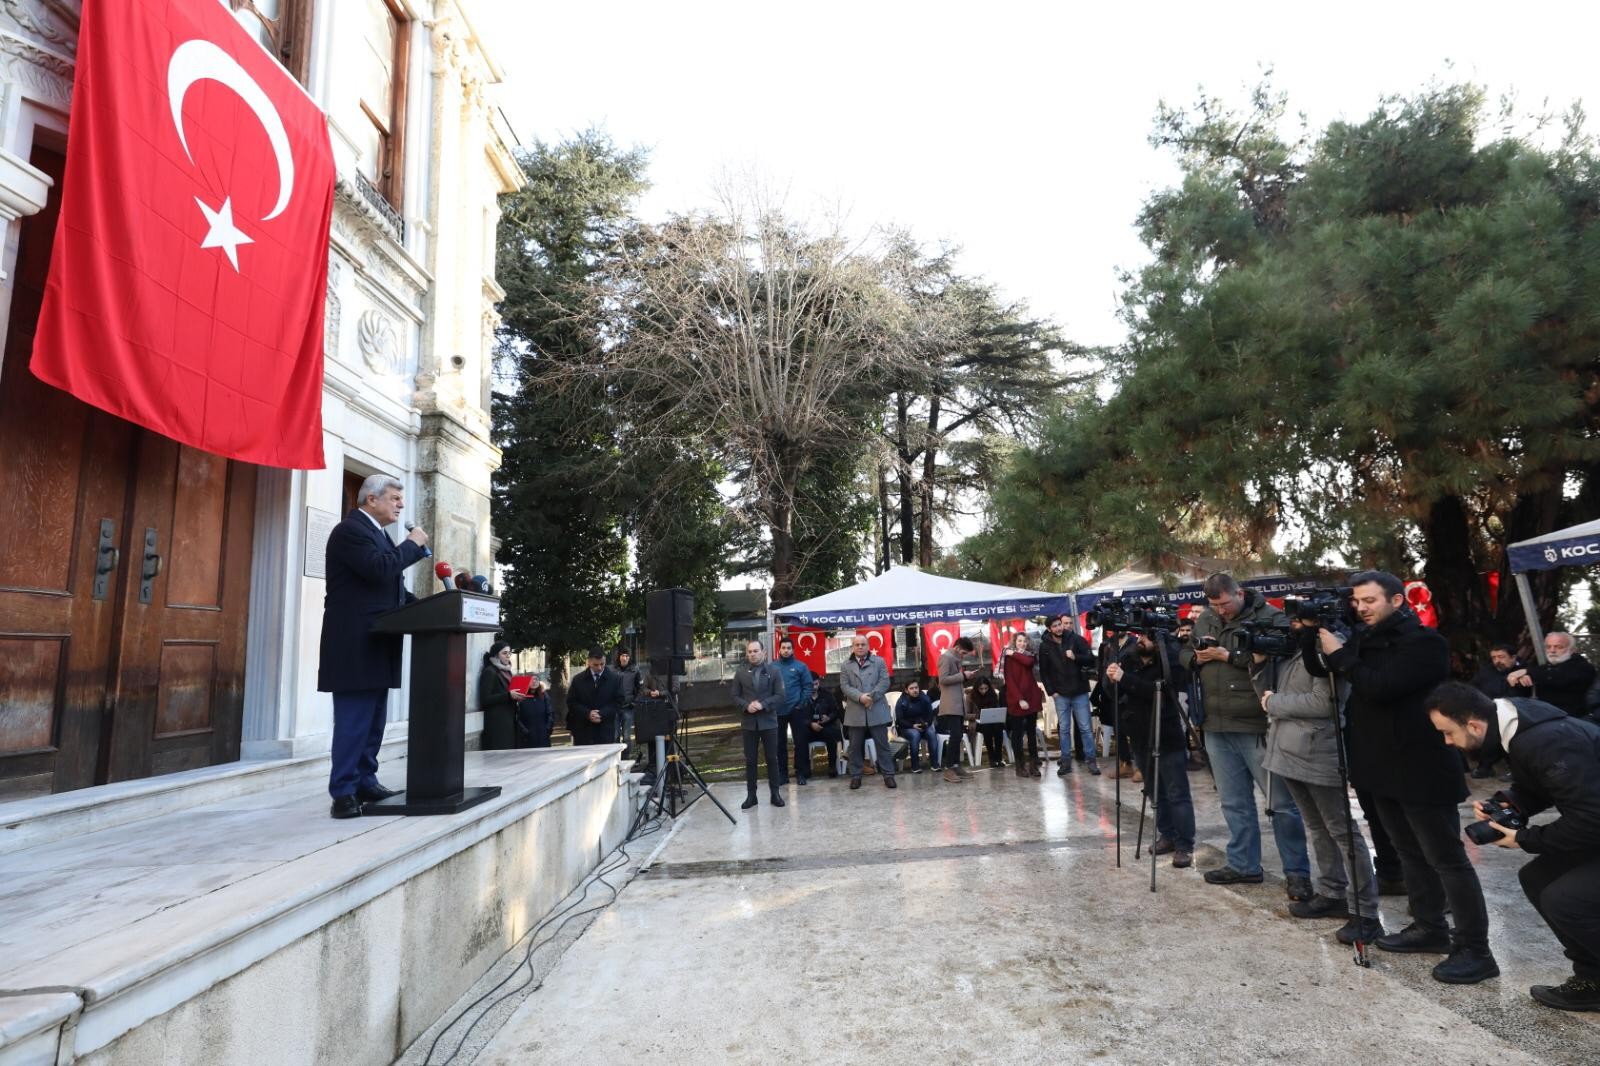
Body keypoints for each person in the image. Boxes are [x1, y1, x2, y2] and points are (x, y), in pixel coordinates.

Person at [1318, 571, 1497, 984]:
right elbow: (1333, 671)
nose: (1360, 608)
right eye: (1357, 601)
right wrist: (1316, 635)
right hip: (1378, 769)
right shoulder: (1364, 639)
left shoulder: (1425, 643)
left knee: (1447, 860)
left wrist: (1341, 654)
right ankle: (1429, 927)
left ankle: (1475, 948)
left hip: (1421, 768)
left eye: (1370, 601)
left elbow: (1381, 686)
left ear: (1397, 600)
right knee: (1408, 852)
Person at [1427, 681, 1600, 1010]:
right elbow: (1545, 784)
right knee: (1537, 879)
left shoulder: (1544, 740)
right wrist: (1507, 803)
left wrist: (1524, 839)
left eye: (1448, 733)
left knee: (1565, 899)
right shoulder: (1520, 726)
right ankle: (1593, 977)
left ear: (1475, 725)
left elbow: (1591, 817)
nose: (1447, 742)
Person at [1253, 622, 1383, 947]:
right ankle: (1331, 891)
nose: (1293, 623)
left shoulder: (1330, 647)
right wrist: (1258, 663)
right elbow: (1265, 695)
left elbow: (1323, 703)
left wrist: (1275, 703)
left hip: (1317, 751)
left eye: (1300, 618)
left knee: (1342, 831)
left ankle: (1364, 911)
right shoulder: (1296, 649)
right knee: (1316, 826)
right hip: (1287, 751)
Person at [1184, 573, 1312, 901]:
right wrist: (1197, 656)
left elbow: (1279, 660)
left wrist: (1226, 656)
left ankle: (1297, 872)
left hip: (1258, 724)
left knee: (1281, 805)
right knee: (1233, 802)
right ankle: (1243, 864)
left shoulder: (1270, 617)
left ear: (1239, 593)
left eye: (1225, 603)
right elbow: (1184, 656)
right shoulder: (1207, 619)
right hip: (1216, 723)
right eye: (1214, 605)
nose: (1221, 611)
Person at [317, 474, 429, 819]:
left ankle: (366, 779)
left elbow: (391, 588)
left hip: (377, 641)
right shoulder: (349, 531)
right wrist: (412, 544)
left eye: (400, 499)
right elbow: (379, 570)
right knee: (354, 720)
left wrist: (425, 606)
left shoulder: (378, 535)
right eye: (395, 497)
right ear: (371, 500)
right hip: (353, 642)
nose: (400, 504)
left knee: (374, 720)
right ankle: (344, 793)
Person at [1106, 627, 1195, 867]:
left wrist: (1124, 678)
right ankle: (1167, 834)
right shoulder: (1130, 661)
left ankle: (1185, 843)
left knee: (1177, 792)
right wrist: (1111, 675)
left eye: (1147, 637)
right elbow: (1113, 692)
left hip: (1166, 735)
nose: (1140, 640)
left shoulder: (1170, 663)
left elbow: (1159, 691)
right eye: (1140, 636)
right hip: (1139, 736)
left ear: (1159, 643)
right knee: (1155, 791)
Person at [730, 639, 786, 810]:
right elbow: (734, 696)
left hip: (769, 722)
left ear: (764, 653)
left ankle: (775, 793)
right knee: (750, 760)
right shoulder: (740, 673)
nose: (753, 654)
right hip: (749, 723)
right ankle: (751, 795)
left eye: (756, 651)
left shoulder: (774, 671)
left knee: (772, 759)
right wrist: (747, 705)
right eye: (750, 652)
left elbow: (781, 695)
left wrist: (763, 704)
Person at [1041, 614, 1100, 776]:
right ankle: (1066, 761)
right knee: (1064, 729)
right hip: (1060, 694)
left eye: (1060, 624)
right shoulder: (1045, 646)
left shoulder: (1076, 639)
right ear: (1049, 629)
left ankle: (1091, 760)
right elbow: (1044, 672)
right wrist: (1051, 691)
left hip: (1079, 690)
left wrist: (1076, 657)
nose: (1059, 628)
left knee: (1086, 728)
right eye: (1054, 626)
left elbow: (1090, 659)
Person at [841, 634, 897, 789]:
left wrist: (871, 697)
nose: (860, 647)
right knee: (854, 746)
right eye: (857, 644)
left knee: (883, 745)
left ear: (868, 646)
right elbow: (844, 686)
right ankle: (856, 776)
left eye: (863, 644)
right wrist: (860, 697)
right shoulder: (846, 665)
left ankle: (888, 775)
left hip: (876, 708)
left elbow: (885, 681)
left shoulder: (879, 662)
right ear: (852, 646)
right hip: (855, 711)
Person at [1507, 632, 1596, 719]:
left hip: (1572, 721)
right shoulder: (1544, 667)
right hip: (1545, 718)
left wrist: (1527, 671)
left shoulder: (1583, 667)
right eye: (1548, 647)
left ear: (1572, 650)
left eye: (1559, 647)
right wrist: (1522, 680)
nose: (1552, 650)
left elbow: (1557, 677)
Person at [1469, 643, 1520, 778]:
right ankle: (1485, 766)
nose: (1497, 661)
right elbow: (1472, 688)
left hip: (1515, 712)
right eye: (1494, 657)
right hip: (1489, 710)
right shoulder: (1487, 671)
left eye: (1501, 657)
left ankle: (1515, 770)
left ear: (1513, 657)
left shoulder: (1523, 671)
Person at [772, 636, 816, 785]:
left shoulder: (800, 666)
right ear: (779, 649)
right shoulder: (772, 667)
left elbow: (808, 686)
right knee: (779, 744)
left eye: (788, 648)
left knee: (801, 743)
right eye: (783, 648)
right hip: (778, 711)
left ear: (793, 650)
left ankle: (801, 773)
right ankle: (782, 775)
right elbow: (768, 687)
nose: (786, 650)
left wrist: (801, 703)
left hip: (797, 711)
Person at [1003, 631, 1044, 778]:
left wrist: (1012, 653)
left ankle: (1034, 764)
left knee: (1032, 733)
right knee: (1018, 734)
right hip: (1016, 699)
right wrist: (1019, 699)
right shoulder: (1007, 658)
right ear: (1015, 642)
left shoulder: (1029, 655)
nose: (1022, 643)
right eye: (1019, 641)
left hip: (1032, 697)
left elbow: (1028, 663)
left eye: (1025, 641)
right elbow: (1009, 680)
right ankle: (1020, 765)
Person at [936, 636, 977, 782]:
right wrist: (963, 676)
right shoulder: (946, 658)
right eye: (963, 653)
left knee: (958, 736)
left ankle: (956, 765)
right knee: (955, 736)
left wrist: (964, 677)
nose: (963, 656)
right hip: (950, 704)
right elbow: (943, 680)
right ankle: (949, 769)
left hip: (958, 704)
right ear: (957, 648)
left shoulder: (955, 659)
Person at [567, 648, 623, 746]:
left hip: (605, 729)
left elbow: (619, 701)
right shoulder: (578, 680)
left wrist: (602, 713)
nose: (600, 668)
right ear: (589, 662)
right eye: (595, 665)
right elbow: (572, 702)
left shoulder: (615, 679)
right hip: (584, 730)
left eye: (602, 664)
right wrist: (587, 713)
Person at [478, 641, 526, 750]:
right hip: (497, 724)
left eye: (509, 653)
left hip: (510, 720)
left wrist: (518, 695)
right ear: (496, 655)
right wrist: (509, 695)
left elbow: (509, 694)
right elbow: (485, 699)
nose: (508, 656)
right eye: (504, 653)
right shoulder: (490, 672)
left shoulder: (508, 672)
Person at [895, 679, 938, 773]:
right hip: (907, 727)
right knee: (915, 735)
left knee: (931, 733)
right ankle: (915, 766)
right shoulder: (901, 702)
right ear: (906, 690)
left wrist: (927, 723)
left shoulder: (925, 699)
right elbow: (899, 720)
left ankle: (935, 764)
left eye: (916, 687)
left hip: (923, 726)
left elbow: (930, 715)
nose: (915, 690)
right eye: (911, 688)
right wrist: (912, 725)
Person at [807, 681, 846, 777]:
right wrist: (810, 723)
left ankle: (832, 766)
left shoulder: (827, 695)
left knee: (831, 734)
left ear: (819, 683)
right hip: (808, 728)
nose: (814, 687)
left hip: (825, 726)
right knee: (800, 736)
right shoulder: (803, 696)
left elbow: (835, 711)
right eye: (811, 684)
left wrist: (828, 718)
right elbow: (799, 716)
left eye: (816, 684)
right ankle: (804, 769)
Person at [612, 647, 644, 757]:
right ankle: (616, 759)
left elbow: (640, 688)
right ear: (619, 657)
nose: (624, 658)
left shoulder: (635, 670)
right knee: (615, 736)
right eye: (622, 655)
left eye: (627, 656)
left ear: (629, 658)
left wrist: (634, 702)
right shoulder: (613, 670)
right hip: (615, 708)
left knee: (626, 737)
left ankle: (625, 760)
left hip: (628, 707)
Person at [971, 676, 1007, 767]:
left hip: (993, 722)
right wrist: (978, 716)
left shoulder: (993, 695)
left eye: (986, 688)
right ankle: (992, 757)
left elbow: (997, 709)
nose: (983, 691)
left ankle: (998, 757)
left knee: (998, 727)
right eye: (981, 689)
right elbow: (966, 714)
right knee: (987, 728)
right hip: (978, 723)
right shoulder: (971, 697)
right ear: (977, 688)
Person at [517, 676, 554, 748]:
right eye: (531, 680)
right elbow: (517, 717)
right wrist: (524, 731)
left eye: (536, 679)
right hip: (527, 738)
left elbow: (550, 713)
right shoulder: (521, 697)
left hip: (543, 736)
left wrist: (548, 728)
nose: (534, 682)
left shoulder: (544, 696)